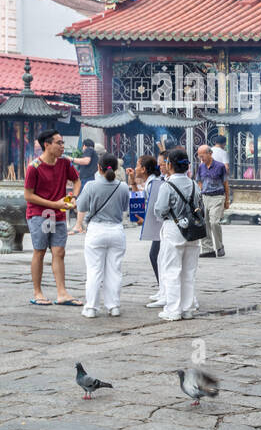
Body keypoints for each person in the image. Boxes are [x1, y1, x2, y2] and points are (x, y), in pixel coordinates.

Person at [24, 129, 83, 306]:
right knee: (40, 251)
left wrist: (72, 197)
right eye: (59, 143)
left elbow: (77, 181)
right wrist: (55, 204)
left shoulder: (65, 163)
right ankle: (37, 292)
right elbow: (28, 196)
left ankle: (62, 292)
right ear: (47, 145)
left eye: (62, 143)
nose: (62, 146)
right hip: (38, 214)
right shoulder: (33, 167)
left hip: (58, 214)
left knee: (59, 252)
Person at [75, 154, 130, 319]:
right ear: (115, 168)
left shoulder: (91, 185)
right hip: (116, 231)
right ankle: (114, 307)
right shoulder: (123, 186)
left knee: (94, 271)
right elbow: (125, 206)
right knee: (114, 271)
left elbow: (81, 206)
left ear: (99, 168)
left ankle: (91, 307)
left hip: (96, 231)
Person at [153, 148, 203, 321]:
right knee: (189, 271)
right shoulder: (194, 184)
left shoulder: (167, 185)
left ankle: (173, 309)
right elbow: (199, 205)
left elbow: (160, 210)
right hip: (193, 229)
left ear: (169, 165)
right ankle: (187, 308)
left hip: (173, 228)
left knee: (172, 270)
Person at [135, 155, 166, 307]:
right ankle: (163, 288)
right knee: (156, 256)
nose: (135, 168)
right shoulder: (150, 183)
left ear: (144, 169)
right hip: (158, 226)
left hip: (160, 226)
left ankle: (165, 290)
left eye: (137, 165)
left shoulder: (153, 183)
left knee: (156, 256)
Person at [195, 144, 229, 258]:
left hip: (217, 197)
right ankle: (207, 249)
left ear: (210, 153)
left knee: (214, 222)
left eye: (202, 155)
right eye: (199, 156)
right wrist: (201, 191)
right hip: (205, 197)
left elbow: (225, 184)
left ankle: (219, 246)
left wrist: (227, 200)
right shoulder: (201, 167)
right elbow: (199, 181)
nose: (201, 158)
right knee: (204, 223)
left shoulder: (220, 166)